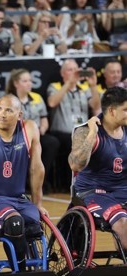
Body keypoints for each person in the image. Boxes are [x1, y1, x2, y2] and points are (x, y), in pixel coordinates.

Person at [0, 95, 47, 272]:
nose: (2, 114)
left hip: (18, 199)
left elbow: (37, 169)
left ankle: (32, 270)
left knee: (34, 221)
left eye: (8, 110)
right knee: (14, 223)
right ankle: (20, 274)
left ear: (19, 115)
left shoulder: (29, 128)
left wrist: (38, 204)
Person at [69, 86, 127, 251]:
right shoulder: (86, 131)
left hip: (122, 190)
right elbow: (75, 164)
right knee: (123, 222)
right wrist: (92, 133)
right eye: (126, 110)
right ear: (112, 111)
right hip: (93, 192)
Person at [47, 58, 100, 191]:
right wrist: (69, 83)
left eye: (76, 69)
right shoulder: (55, 87)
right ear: (62, 73)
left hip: (80, 131)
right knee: (72, 141)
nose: (74, 72)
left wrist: (93, 86)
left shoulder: (84, 89)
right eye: (70, 70)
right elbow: (52, 102)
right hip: (61, 132)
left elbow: (96, 107)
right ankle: (68, 184)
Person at [6, 68, 60, 192]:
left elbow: (44, 118)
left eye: (30, 80)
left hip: (36, 134)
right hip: (17, 135)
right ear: (16, 83)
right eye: (25, 81)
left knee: (52, 142)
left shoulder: (37, 97)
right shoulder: (9, 100)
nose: (29, 83)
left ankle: (39, 179)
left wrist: (43, 128)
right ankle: (22, 182)